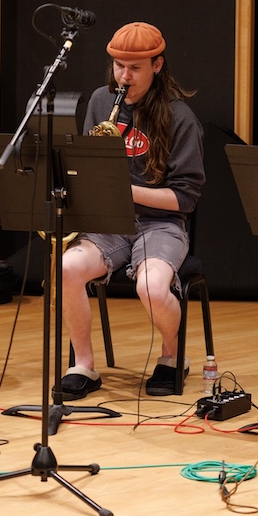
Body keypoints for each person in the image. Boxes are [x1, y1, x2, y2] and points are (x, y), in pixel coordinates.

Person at [59, 22, 205, 398]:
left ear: (157, 66)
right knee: (68, 268)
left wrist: (128, 190)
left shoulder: (181, 118)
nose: (124, 77)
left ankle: (173, 355)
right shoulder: (99, 103)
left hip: (161, 223)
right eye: (119, 66)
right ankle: (83, 366)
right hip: (110, 221)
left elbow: (185, 199)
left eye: (135, 68)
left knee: (152, 289)